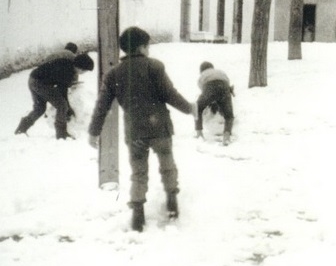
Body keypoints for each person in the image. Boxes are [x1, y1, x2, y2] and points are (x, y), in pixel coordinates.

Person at [88, 27, 197, 232]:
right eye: (147, 46)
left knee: (138, 172)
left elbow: (102, 106)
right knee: (167, 164)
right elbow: (170, 94)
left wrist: (93, 131)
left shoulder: (113, 74)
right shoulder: (154, 66)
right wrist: (190, 108)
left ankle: (138, 213)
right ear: (142, 47)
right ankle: (172, 199)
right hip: (160, 128)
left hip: (135, 132)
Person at [14, 52, 94, 139]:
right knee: (62, 105)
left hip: (33, 79)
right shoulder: (68, 70)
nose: (84, 73)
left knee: (40, 108)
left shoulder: (67, 64)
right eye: (85, 71)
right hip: (40, 83)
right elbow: (62, 91)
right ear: (80, 68)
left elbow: (60, 87)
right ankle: (61, 134)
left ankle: (21, 129)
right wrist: (67, 108)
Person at [195, 61, 235, 145]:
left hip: (209, 86)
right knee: (229, 115)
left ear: (201, 70)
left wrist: (209, 99)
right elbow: (227, 83)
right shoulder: (220, 72)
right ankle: (226, 137)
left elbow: (202, 88)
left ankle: (199, 134)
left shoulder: (202, 75)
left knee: (197, 108)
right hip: (224, 86)